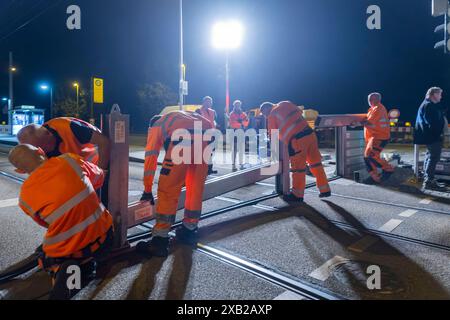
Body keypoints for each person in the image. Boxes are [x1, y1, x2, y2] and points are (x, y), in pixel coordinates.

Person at [8, 144, 113, 299]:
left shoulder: (25, 197)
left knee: (49, 257)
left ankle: (68, 276)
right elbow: (99, 178)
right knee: (85, 257)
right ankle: (85, 266)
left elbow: (47, 223)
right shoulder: (69, 160)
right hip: (106, 236)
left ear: (20, 171)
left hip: (69, 252)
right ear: (41, 150)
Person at [136, 111, 213, 257]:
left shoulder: (157, 125)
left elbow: (151, 157)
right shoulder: (181, 116)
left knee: (168, 190)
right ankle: (189, 230)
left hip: (182, 144)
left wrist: (147, 189)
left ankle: (160, 240)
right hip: (203, 143)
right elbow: (210, 126)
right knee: (195, 190)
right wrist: (209, 160)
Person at [260, 101, 331, 202]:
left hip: (297, 141)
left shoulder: (272, 115)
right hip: (310, 135)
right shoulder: (285, 103)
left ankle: (297, 195)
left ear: (266, 108)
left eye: (264, 113)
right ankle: (325, 190)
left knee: (298, 168)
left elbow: (273, 135)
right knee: (316, 164)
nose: (265, 116)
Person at [17, 117, 110, 170]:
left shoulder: (68, 127)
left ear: (49, 134)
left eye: (44, 146)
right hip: (81, 171)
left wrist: (101, 172)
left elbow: (104, 142)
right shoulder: (39, 142)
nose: (43, 152)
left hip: (100, 161)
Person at [414, 87, 448, 192]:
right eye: (439, 94)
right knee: (433, 158)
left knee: (430, 157)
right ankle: (429, 181)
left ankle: (429, 179)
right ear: (433, 94)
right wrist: (439, 135)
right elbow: (432, 123)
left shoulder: (428, 105)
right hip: (433, 137)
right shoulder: (428, 105)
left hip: (431, 136)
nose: (441, 96)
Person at [361, 93, 394, 184]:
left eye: (372, 99)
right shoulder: (373, 109)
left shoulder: (378, 108)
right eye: (371, 99)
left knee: (369, 156)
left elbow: (369, 123)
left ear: (378, 100)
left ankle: (388, 169)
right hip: (376, 137)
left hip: (379, 137)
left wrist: (356, 123)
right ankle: (375, 177)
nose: (371, 101)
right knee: (369, 157)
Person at [196, 96, 218, 175]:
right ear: (203, 102)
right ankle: (202, 168)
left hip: (211, 134)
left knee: (210, 152)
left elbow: (214, 122)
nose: (209, 103)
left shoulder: (213, 111)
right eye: (207, 101)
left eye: (210, 102)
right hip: (202, 134)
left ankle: (209, 168)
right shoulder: (198, 110)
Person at [229, 100, 249, 171]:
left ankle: (241, 164)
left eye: (238, 105)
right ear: (234, 106)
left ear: (240, 106)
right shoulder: (232, 114)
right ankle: (233, 164)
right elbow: (232, 124)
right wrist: (241, 123)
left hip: (241, 132)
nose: (237, 106)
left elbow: (246, 123)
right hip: (234, 131)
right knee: (234, 149)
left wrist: (241, 122)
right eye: (236, 105)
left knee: (241, 148)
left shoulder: (243, 114)